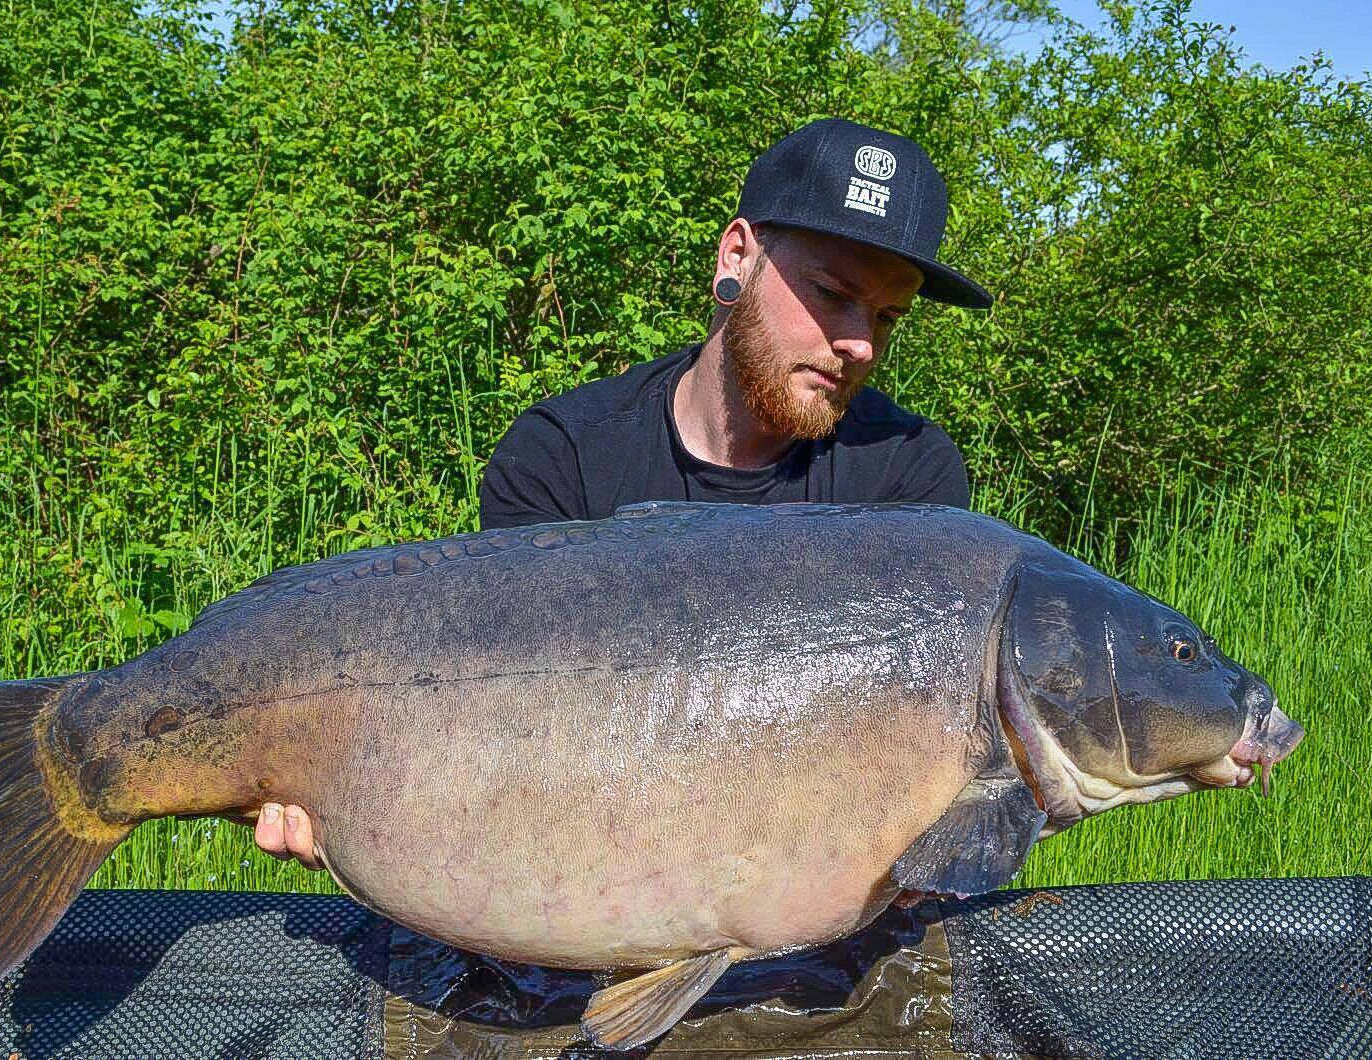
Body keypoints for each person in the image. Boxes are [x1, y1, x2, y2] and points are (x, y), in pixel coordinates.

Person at [253, 117, 992, 871]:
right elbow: (501, 728)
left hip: (790, 890)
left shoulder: (909, 480)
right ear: (737, 255)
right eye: (834, 294)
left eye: (888, 315)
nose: (861, 342)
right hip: (581, 876)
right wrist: (369, 797)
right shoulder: (562, 455)